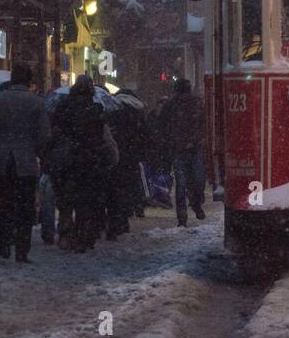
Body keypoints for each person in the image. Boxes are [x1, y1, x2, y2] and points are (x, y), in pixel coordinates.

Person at [0, 64, 51, 262]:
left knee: (4, 203)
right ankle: (22, 250)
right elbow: (44, 135)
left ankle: (4, 240)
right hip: (25, 162)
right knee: (25, 207)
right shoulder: (37, 103)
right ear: (29, 80)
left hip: (1, 160)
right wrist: (38, 152)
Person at [53, 76, 118, 251]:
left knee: (66, 200)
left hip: (68, 159)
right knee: (86, 201)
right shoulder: (96, 108)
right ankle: (83, 237)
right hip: (89, 161)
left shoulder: (63, 106)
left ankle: (66, 234)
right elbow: (100, 137)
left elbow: (56, 131)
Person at [160, 78, 208, 225]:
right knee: (197, 180)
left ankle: (183, 216)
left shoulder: (171, 106)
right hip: (192, 148)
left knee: (181, 184)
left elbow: (163, 126)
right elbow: (204, 123)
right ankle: (195, 203)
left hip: (181, 148)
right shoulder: (197, 103)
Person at [105, 87, 151, 239]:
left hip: (114, 156)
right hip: (130, 157)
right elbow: (144, 134)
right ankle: (124, 217)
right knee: (127, 187)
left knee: (113, 190)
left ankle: (114, 222)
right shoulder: (137, 110)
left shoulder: (111, 109)